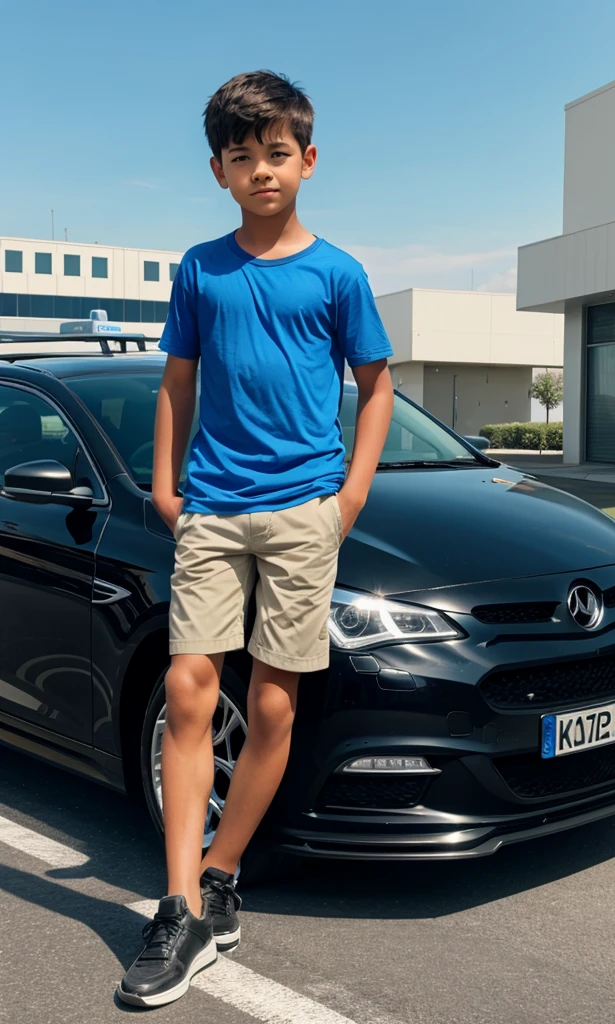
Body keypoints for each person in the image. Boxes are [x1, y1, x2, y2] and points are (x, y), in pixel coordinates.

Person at [118, 69, 394, 1008]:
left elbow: (375, 385)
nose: (262, 170)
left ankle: (223, 873)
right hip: (213, 509)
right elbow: (176, 382)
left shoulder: (338, 273)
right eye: (244, 157)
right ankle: (179, 900)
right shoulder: (201, 267)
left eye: (278, 153)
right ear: (219, 171)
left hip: (305, 511)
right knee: (190, 688)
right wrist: (165, 486)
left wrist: (349, 497)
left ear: (307, 161)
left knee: (273, 707)